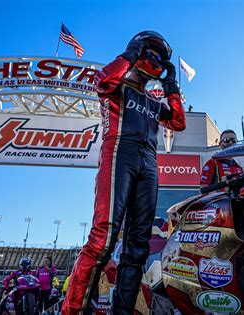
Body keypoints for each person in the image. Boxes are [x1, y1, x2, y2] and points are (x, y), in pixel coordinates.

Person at [62, 30, 186, 315]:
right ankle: (71, 311)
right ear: (136, 50)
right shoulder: (115, 86)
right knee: (102, 240)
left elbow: (178, 122)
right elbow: (103, 80)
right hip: (119, 153)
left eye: (159, 58)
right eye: (149, 53)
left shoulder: (155, 103)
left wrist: (171, 85)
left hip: (148, 163)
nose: (154, 59)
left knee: (138, 248)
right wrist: (130, 55)